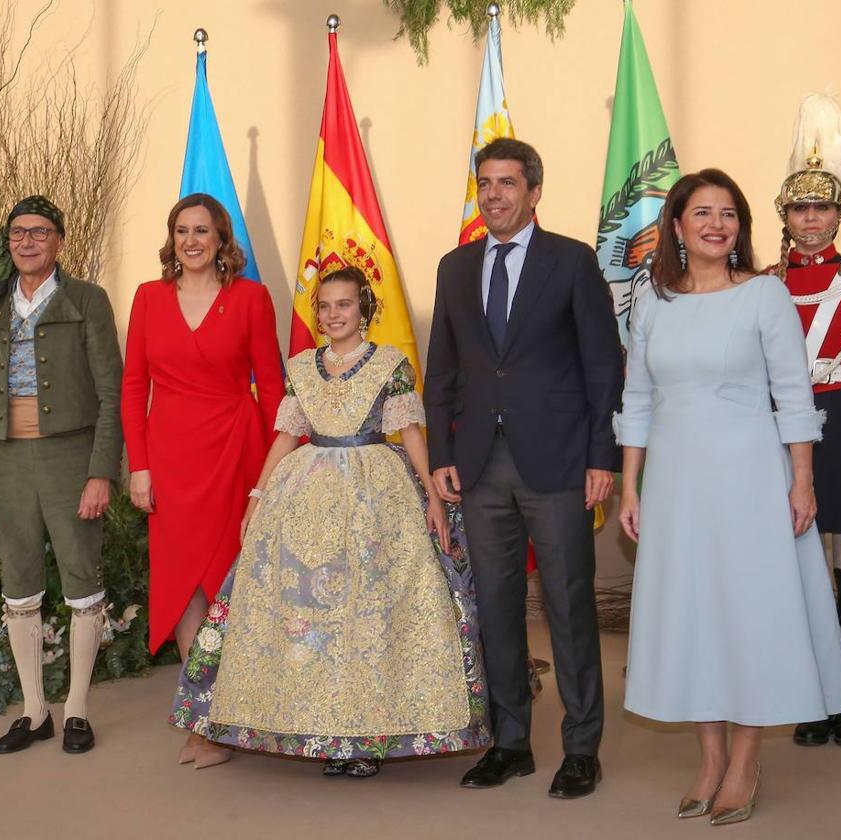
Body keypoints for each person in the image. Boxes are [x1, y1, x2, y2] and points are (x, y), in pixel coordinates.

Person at [170, 266, 490, 776]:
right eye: (324, 306)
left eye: (343, 304)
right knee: (309, 614)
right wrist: (257, 495)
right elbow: (284, 437)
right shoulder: (300, 367)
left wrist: (431, 495)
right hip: (304, 497)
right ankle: (319, 732)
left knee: (366, 616)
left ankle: (365, 738)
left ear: (364, 308)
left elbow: (409, 434)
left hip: (373, 497)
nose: (333, 314)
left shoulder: (390, 365)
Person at [615, 169, 841, 825]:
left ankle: (746, 764)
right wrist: (630, 484)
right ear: (677, 226)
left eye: (729, 213)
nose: (717, 223)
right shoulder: (653, 300)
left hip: (752, 479)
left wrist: (801, 481)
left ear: (741, 229)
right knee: (692, 615)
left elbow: (793, 394)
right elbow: (637, 398)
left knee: (749, 615)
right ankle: (709, 759)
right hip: (675, 484)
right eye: (703, 212)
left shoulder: (764, 296)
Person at [424, 137, 624, 798]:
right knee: (497, 611)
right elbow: (442, 374)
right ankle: (509, 742)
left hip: (560, 462)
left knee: (568, 606)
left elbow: (603, 366)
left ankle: (580, 748)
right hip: (479, 465)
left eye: (507, 183)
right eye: (485, 183)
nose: (494, 195)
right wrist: (442, 459)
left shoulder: (571, 262)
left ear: (533, 192)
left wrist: (604, 457)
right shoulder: (455, 267)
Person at [121, 193, 284, 766]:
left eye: (203, 230)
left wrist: (276, 475)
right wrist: (139, 465)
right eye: (182, 230)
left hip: (235, 455)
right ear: (173, 239)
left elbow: (273, 389)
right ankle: (205, 720)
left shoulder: (252, 299)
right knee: (183, 589)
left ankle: (240, 715)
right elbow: (133, 388)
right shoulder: (147, 298)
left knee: (230, 585)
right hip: (168, 458)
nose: (192, 240)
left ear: (221, 239)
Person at [0, 196, 123, 755]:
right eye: (17, 234)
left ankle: (76, 707)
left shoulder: (87, 300)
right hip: (6, 462)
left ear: (59, 240)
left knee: (82, 582)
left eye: (39, 232)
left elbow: (111, 393)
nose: (27, 242)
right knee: (19, 584)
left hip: (70, 459)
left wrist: (101, 471)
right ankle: (35, 712)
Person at [770, 94, 841, 749]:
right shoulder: (761, 282)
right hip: (787, 435)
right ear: (785, 214)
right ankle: (812, 698)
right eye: (799, 207)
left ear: (839, 212)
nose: (810, 218)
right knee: (800, 571)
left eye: (822, 206)